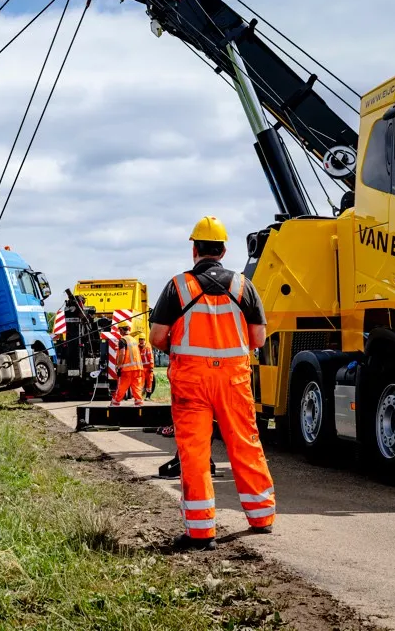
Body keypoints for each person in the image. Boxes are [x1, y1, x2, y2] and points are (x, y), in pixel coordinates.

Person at [148, 215, 275, 552]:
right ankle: (261, 517)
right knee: (244, 444)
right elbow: (258, 338)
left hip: (191, 380)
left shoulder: (177, 286)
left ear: (195, 249)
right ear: (223, 250)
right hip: (233, 379)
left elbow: (157, 336)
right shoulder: (243, 286)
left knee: (194, 452)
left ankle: (201, 532)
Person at [110, 320, 144, 407]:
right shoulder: (133, 340)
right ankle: (139, 405)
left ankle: (114, 404)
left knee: (121, 388)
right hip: (138, 369)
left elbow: (122, 353)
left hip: (127, 370)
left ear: (121, 329)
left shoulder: (122, 340)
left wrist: (118, 366)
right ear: (128, 329)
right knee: (136, 388)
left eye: (119, 330)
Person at [137, 330, 155, 399]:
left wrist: (151, 367)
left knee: (149, 382)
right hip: (141, 368)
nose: (141, 341)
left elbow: (151, 358)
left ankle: (148, 396)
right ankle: (140, 395)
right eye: (140, 339)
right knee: (140, 382)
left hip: (148, 368)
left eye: (142, 339)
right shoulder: (138, 348)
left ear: (144, 340)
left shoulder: (147, 348)